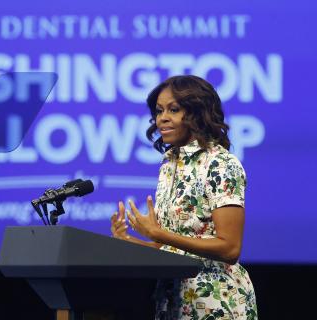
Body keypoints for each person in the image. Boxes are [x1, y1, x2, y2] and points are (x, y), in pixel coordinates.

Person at [110, 75, 258, 319]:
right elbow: (170, 247)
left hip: (215, 302)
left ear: (197, 113)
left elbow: (230, 248)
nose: (162, 118)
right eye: (159, 111)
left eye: (174, 109)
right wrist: (128, 242)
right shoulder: (170, 165)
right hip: (173, 301)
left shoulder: (220, 164)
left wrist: (160, 234)